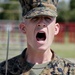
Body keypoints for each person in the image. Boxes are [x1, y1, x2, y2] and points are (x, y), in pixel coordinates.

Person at [0, 0, 75, 75]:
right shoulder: (4, 70)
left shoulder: (70, 71)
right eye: (35, 18)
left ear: (56, 29)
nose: (41, 23)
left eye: (47, 18)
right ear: (23, 28)